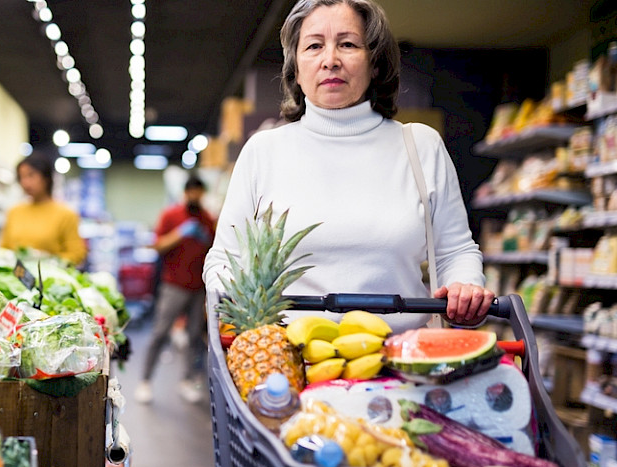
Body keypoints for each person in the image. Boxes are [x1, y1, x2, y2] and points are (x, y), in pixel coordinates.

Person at [203, 0, 494, 330]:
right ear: (295, 69)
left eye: (347, 44)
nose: (330, 61)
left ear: (375, 64)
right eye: (314, 46)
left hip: (404, 360)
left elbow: (455, 251)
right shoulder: (263, 151)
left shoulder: (420, 146)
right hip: (288, 362)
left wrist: (464, 287)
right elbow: (226, 258)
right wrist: (229, 297)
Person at [135, 176, 217, 404]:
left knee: (194, 338)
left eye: (199, 193)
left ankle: (188, 381)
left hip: (198, 288)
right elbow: (157, 245)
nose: (195, 196)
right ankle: (145, 381)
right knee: (160, 332)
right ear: (185, 193)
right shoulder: (171, 215)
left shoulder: (207, 219)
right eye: (191, 192)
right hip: (173, 286)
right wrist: (180, 234)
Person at [0, 152, 88, 266]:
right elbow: (4, 249)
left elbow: (77, 254)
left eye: (31, 175)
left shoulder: (66, 214)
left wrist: (48, 261)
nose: (25, 183)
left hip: (50, 280)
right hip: (16, 279)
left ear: (46, 177)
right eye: (21, 177)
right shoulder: (14, 212)